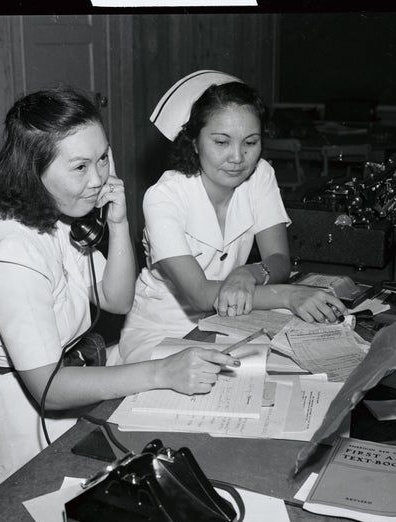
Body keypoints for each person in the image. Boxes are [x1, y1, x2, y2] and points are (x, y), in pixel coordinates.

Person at [0, 87, 240, 493]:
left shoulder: (55, 215)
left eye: (103, 158)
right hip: (28, 447)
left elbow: (116, 299)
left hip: (76, 400)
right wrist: (161, 372)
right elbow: (49, 389)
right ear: (31, 171)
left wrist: (119, 223)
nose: (99, 178)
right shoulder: (11, 254)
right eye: (80, 167)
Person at [115, 70, 347, 364]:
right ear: (195, 142)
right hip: (164, 330)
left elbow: (278, 260)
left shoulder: (260, 175)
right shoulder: (164, 197)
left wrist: (247, 273)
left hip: (234, 317)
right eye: (221, 142)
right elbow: (199, 295)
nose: (238, 158)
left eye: (250, 143)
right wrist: (289, 296)